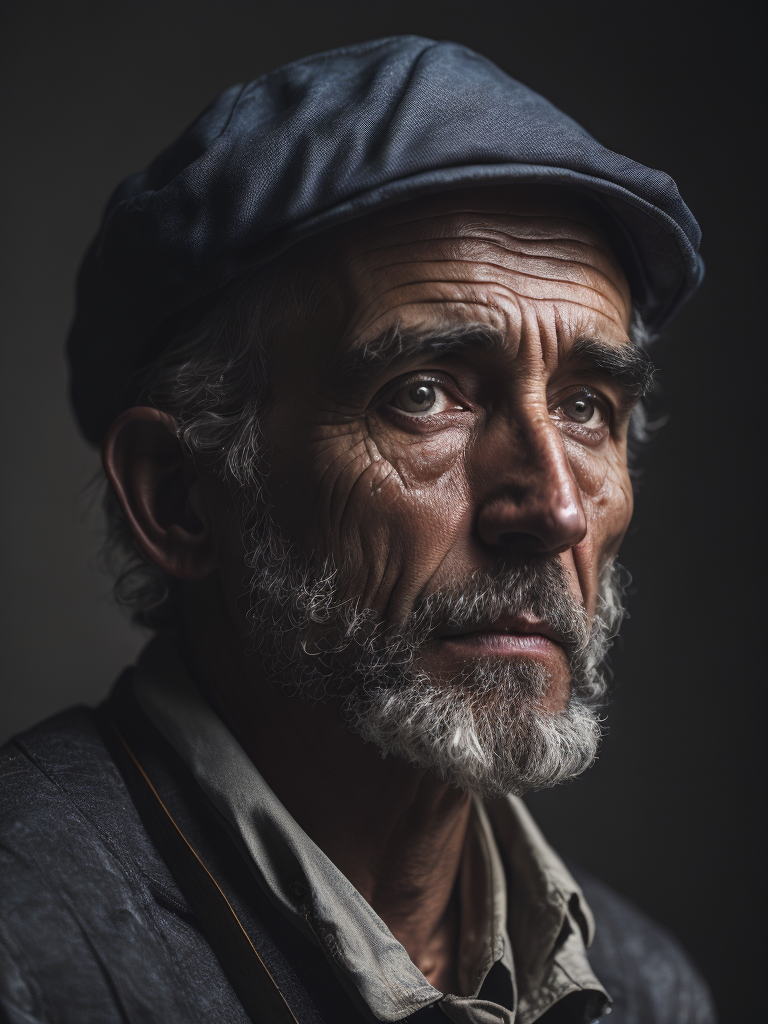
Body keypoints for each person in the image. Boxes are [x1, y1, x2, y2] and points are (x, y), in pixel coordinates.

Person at [0, 36, 716, 1024]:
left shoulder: (653, 992)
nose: (552, 508)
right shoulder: (26, 954)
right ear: (177, 496)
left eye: (589, 408)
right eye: (424, 394)